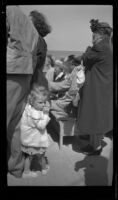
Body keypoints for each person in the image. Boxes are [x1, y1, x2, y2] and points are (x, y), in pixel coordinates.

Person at [7, 6, 39, 178]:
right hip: (25, 74)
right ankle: (16, 167)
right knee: (15, 126)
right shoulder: (30, 24)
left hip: (10, 72)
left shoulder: (9, 10)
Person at [75, 19, 113, 155]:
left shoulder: (100, 46)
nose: (92, 38)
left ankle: (95, 147)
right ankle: (93, 142)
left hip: (97, 87)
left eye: (93, 35)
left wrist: (87, 48)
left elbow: (86, 58)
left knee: (95, 115)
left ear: (100, 34)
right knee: (97, 115)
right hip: (102, 86)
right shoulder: (108, 45)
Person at [20, 85, 51, 177]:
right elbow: (41, 126)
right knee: (40, 156)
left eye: (45, 102)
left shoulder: (29, 108)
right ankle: (43, 169)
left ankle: (26, 171)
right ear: (32, 101)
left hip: (29, 140)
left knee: (29, 157)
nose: (43, 105)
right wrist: (46, 114)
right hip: (36, 141)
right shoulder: (35, 114)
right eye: (40, 102)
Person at [29, 10, 52, 90]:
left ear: (36, 24)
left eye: (29, 22)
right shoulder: (38, 40)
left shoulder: (37, 40)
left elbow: (33, 63)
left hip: (32, 81)